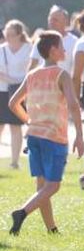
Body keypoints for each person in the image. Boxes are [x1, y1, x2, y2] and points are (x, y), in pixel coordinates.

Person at [7, 31, 84, 236]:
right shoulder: (62, 74)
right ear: (53, 50)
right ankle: (22, 212)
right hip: (54, 136)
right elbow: (74, 105)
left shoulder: (32, 74)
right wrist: (79, 135)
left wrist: (28, 120)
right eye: (61, 46)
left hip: (33, 136)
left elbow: (13, 102)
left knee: (42, 187)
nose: (65, 50)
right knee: (53, 186)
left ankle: (52, 229)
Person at [0, 20, 33, 170]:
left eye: (11, 34)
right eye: (6, 34)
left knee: (15, 126)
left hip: (21, 91)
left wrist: (21, 83)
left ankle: (14, 161)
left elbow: (32, 68)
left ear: (20, 34)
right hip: (2, 89)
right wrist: (13, 80)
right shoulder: (2, 49)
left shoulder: (28, 48)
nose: (8, 37)